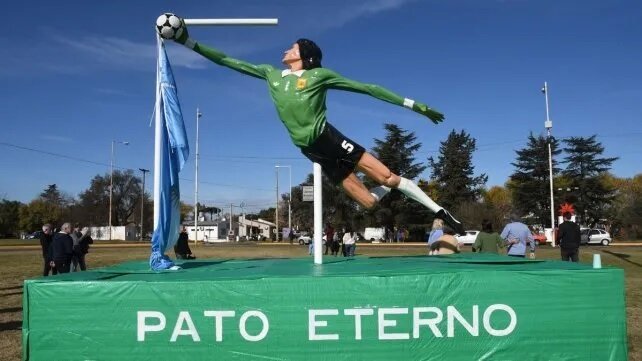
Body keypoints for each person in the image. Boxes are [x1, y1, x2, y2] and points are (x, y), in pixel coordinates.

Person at [169, 20, 464, 235]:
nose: (286, 50)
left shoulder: (319, 75)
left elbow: (367, 88)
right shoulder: (271, 74)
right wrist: (187, 42)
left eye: (292, 47)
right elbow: (226, 61)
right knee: (369, 202)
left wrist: (413, 105)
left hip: (329, 138)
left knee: (387, 178)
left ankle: (438, 210)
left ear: (303, 56)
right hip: (311, 150)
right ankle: (395, 184)